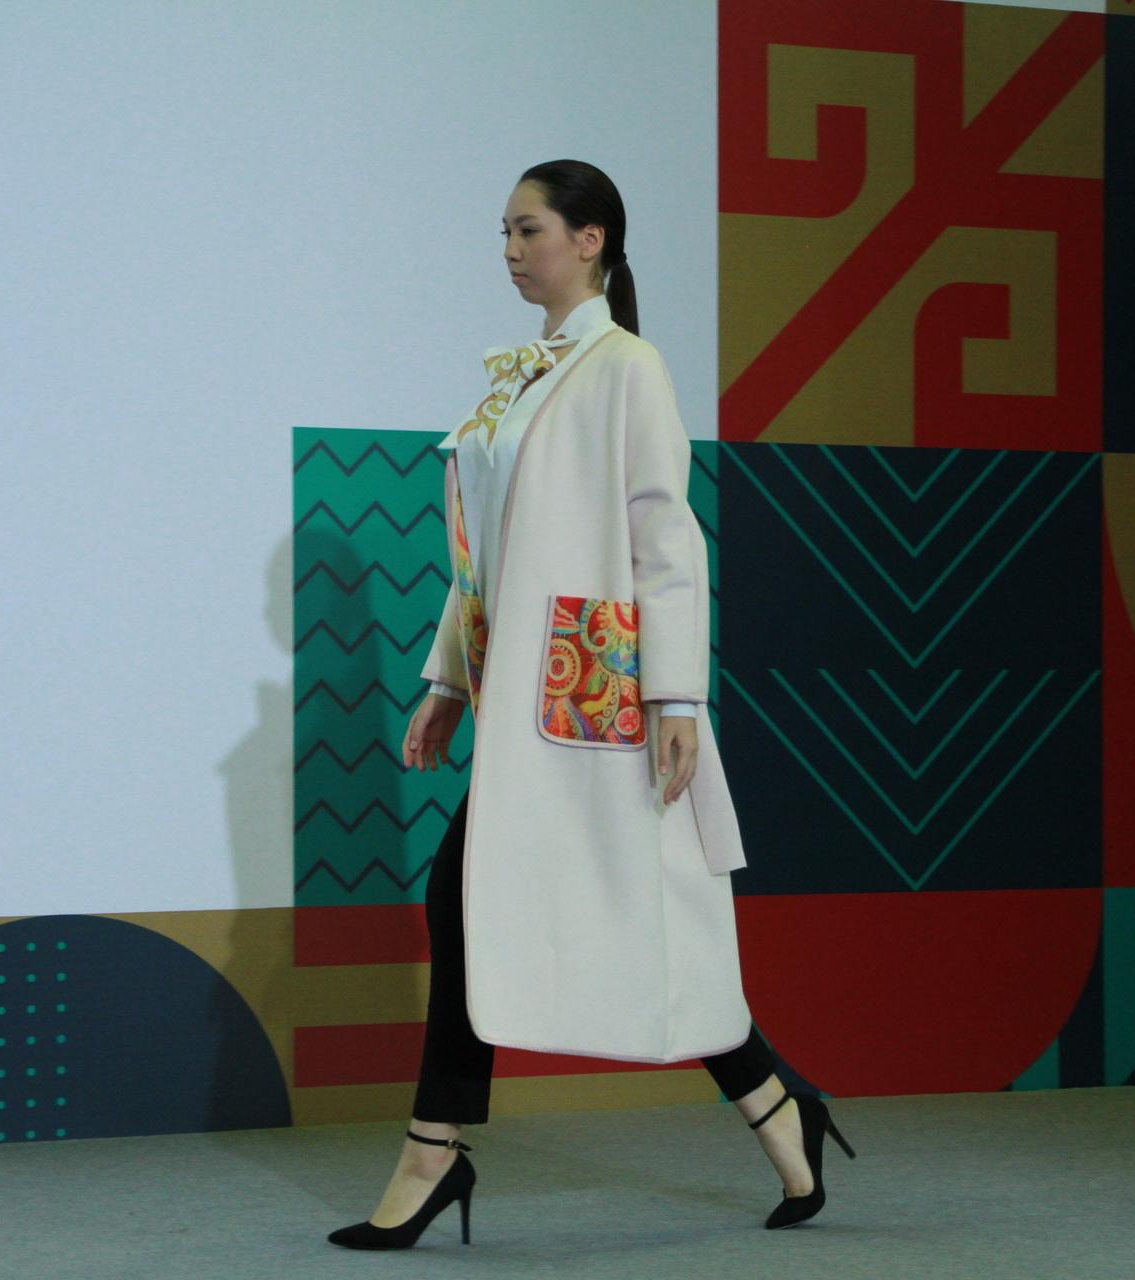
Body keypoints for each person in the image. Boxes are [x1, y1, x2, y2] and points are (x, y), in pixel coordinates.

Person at [327, 160, 855, 1251]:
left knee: (622, 907)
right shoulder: (522, 379)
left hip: (601, 696)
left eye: (528, 229)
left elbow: (667, 534)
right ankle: (776, 1108)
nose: (510, 250)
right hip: (525, 694)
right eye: (504, 232)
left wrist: (677, 694)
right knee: (589, 907)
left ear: (591, 238)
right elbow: (482, 557)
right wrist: (446, 682)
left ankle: (434, 1150)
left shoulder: (626, 367)